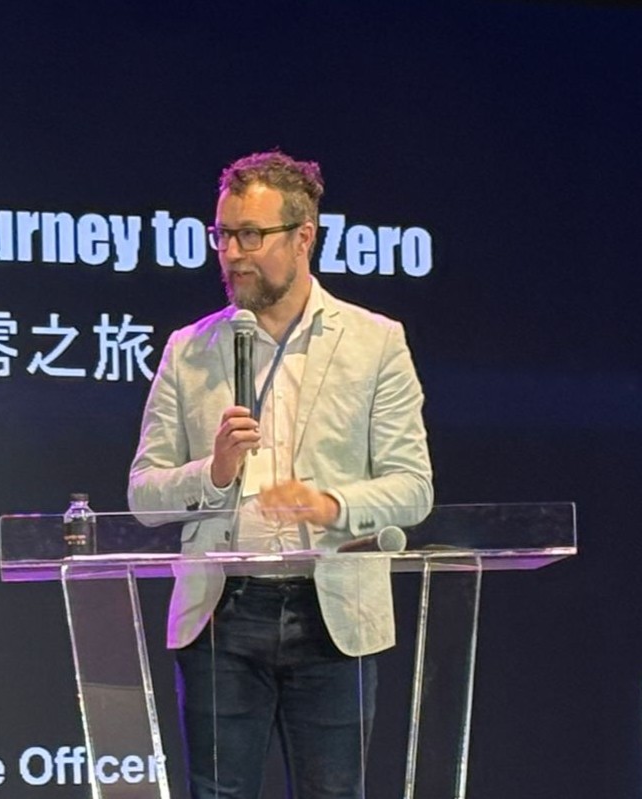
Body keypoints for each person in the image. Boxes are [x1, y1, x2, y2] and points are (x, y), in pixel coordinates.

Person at [127, 150, 432, 799]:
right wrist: (213, 473)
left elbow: (413, 487)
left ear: (303, 237)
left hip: (334, 612)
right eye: (221, 234)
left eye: (250, 235)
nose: (231, 254)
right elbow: (144, 494)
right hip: (222, 613)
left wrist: (330, 504)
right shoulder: (189, 348)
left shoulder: (374, 342)